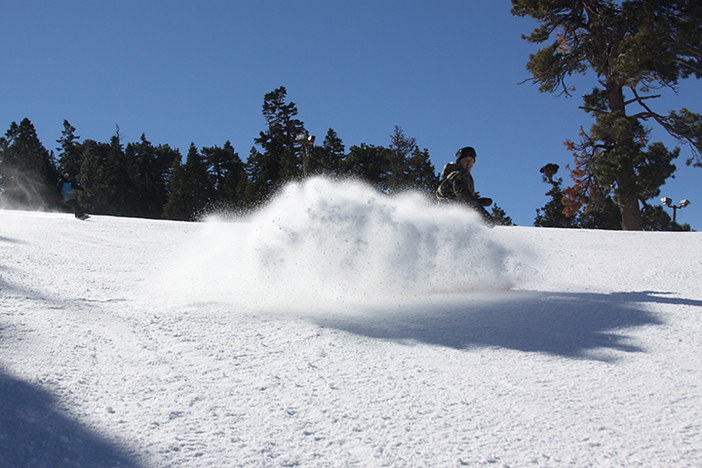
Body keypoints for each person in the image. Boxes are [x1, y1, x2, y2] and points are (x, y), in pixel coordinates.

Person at [436, 146, 494, 226]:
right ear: (459, 161)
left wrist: (478, 201)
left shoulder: (458, 174)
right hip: (449, 216)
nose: (469, 163)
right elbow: (463, 195)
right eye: (466, 160)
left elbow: (459, 197)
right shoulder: (458, 175)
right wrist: (483, 213)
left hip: (447, 215)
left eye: (471, 160)